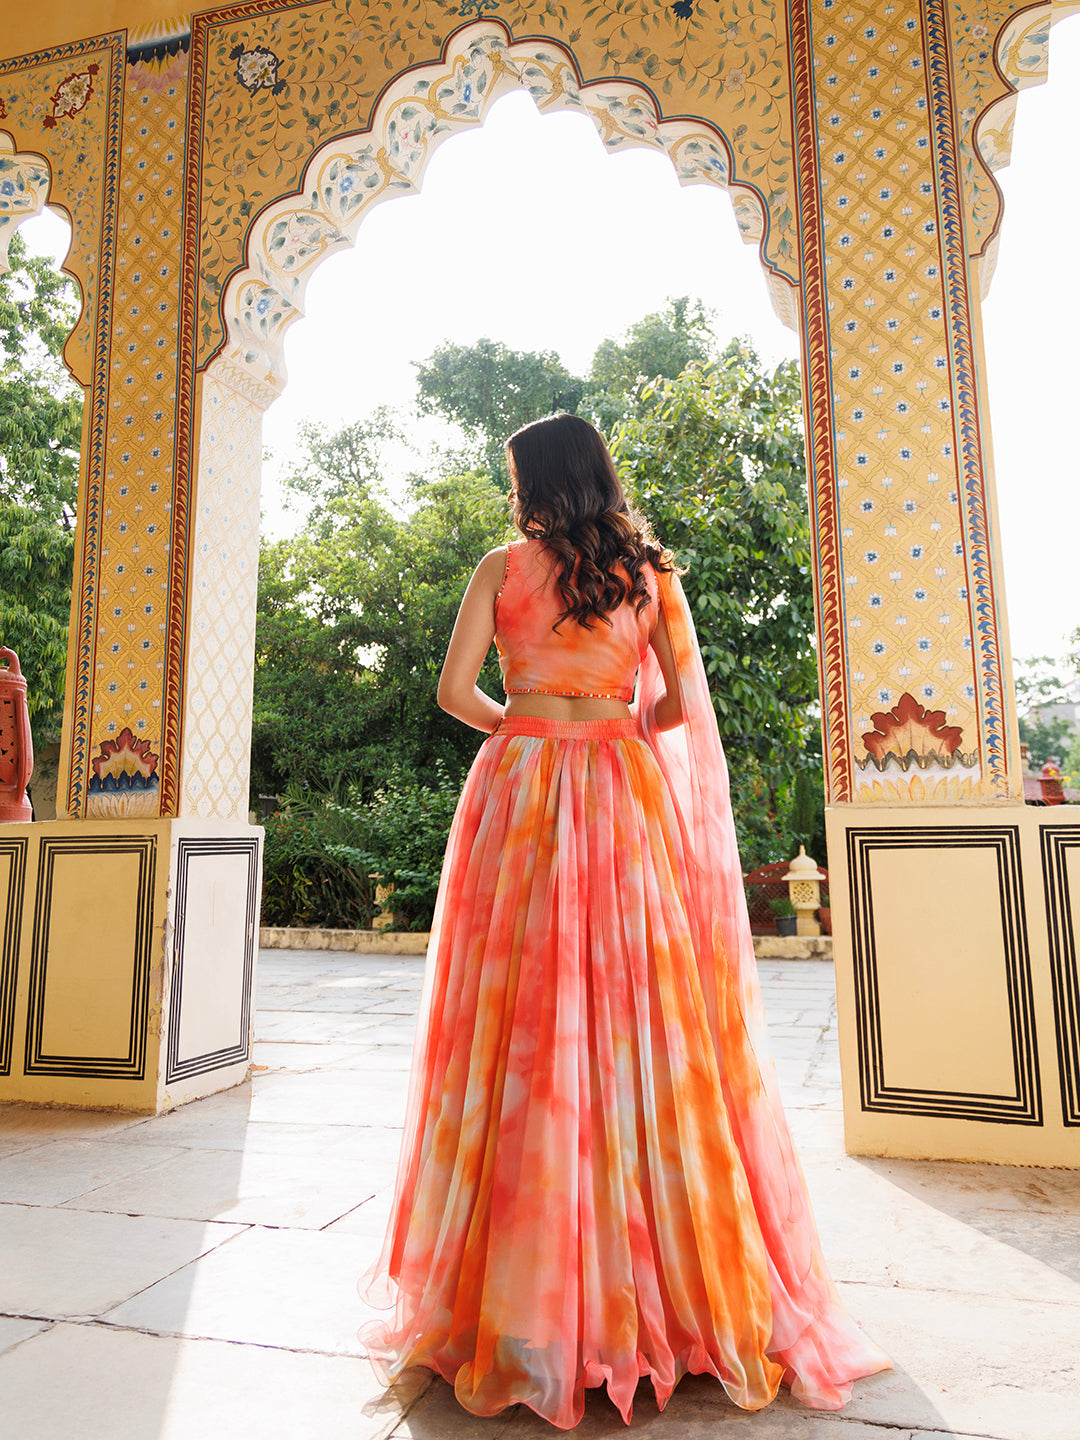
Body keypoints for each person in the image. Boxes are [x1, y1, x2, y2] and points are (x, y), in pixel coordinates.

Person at [361, 413, 889, 1429]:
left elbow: (449, 691)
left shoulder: (500, 567)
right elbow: (685, 706)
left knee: (516, 1019)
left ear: (532, 480)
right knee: (638, 1020)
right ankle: (652, 1281)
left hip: (517, 789)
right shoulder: (651, 573)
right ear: (600, 475)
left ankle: (517, 1297)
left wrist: (525, 723)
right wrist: (612, 723)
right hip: (618, 788)